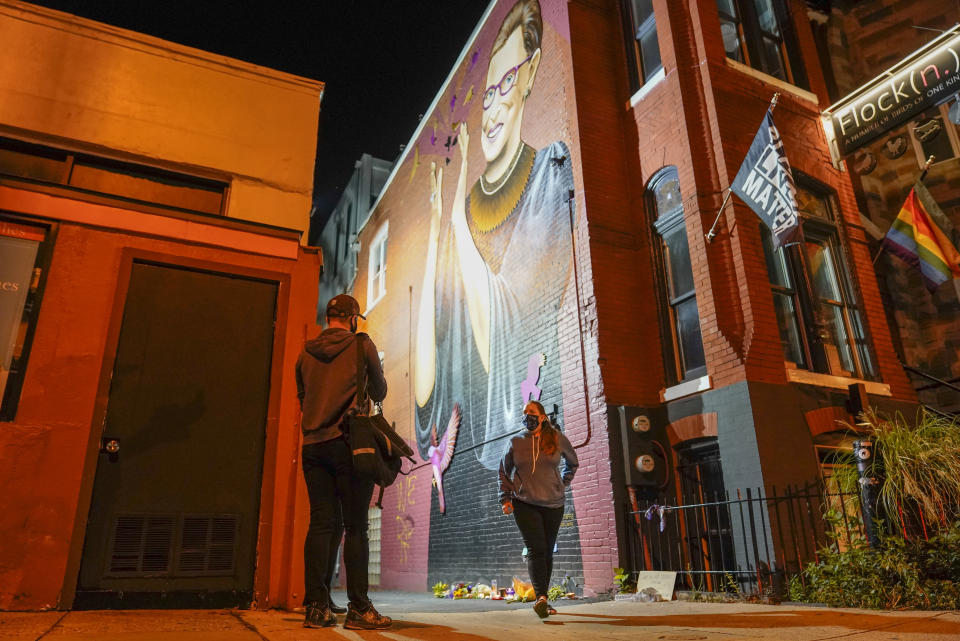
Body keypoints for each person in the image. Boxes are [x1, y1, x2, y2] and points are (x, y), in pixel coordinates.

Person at [414, 0, 574, 471]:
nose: (490, 107)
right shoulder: (459, 217)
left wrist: (462, 180)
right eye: (486, 93)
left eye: (506, 83)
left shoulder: (550, 172)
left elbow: (509, 334)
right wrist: (437, 224)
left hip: (525, 474)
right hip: (456, 487)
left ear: (532, 74)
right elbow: (427, 395)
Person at [295, 294, 391, 630]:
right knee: (356, 527)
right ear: (352, 318)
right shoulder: (360, 345)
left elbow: (303, 398)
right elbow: (379, 391)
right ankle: (359, 609)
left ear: (328, 317)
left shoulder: (305, 352)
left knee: (321, 523)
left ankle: (317, 607)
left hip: (313, 446)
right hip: (349, 444)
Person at [498, 400, 578, 618]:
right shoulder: (515, 442)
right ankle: (541, 598)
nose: (527, 416)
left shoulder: (557, 438)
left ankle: (544, 598)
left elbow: (573, 463)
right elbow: (504, 472)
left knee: (547, 550)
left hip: (553, 503)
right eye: (524, 413)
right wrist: (505, 497)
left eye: (531, 413)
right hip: (524, 503)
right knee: (536, 547)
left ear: (542, 417)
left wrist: (563, 482)